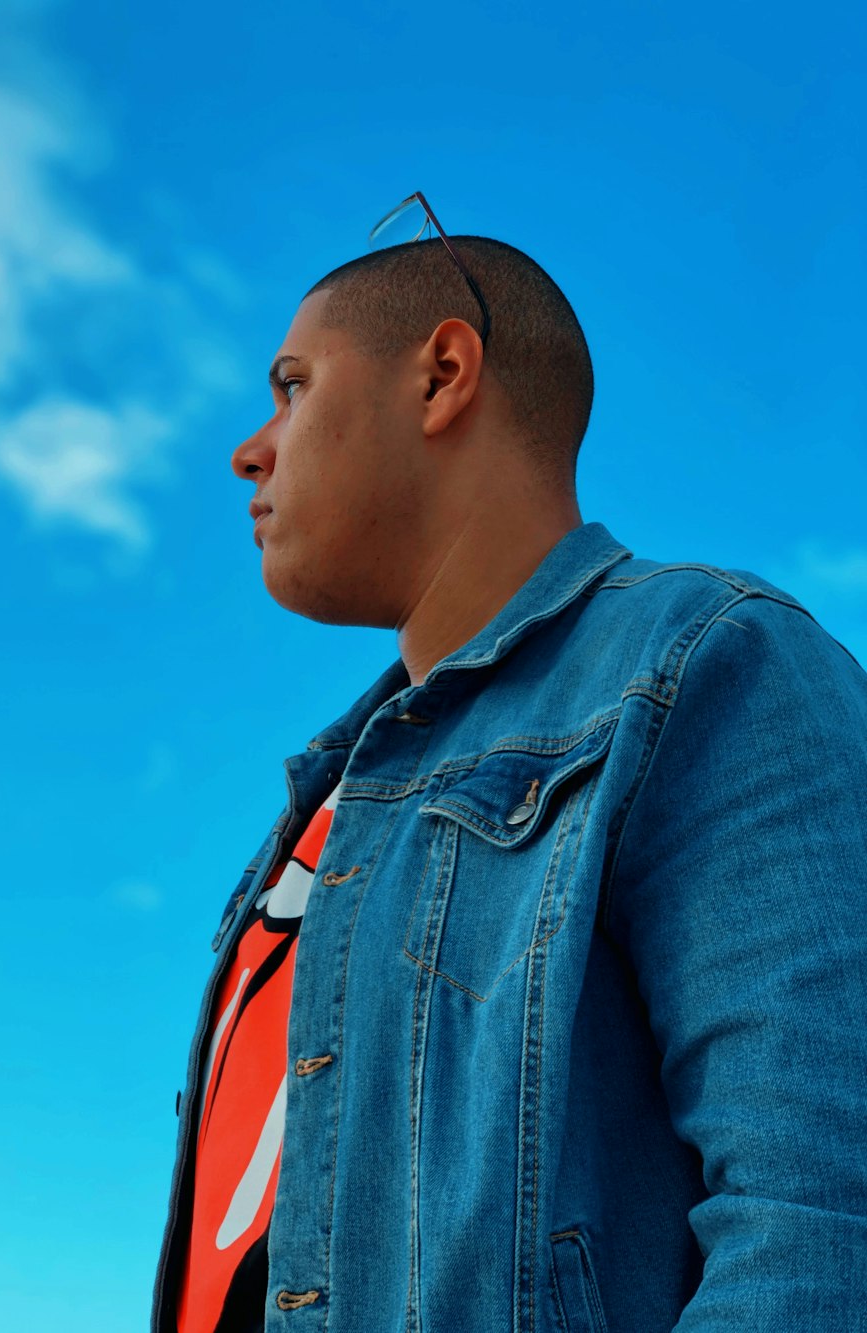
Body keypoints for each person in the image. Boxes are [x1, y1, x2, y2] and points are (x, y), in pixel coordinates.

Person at [151, 222, 867, 1333]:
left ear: (441, 375)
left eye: (292, 387)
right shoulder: (322, 803)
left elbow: (821, 1219)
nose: (252, 448)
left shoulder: (704, 662)